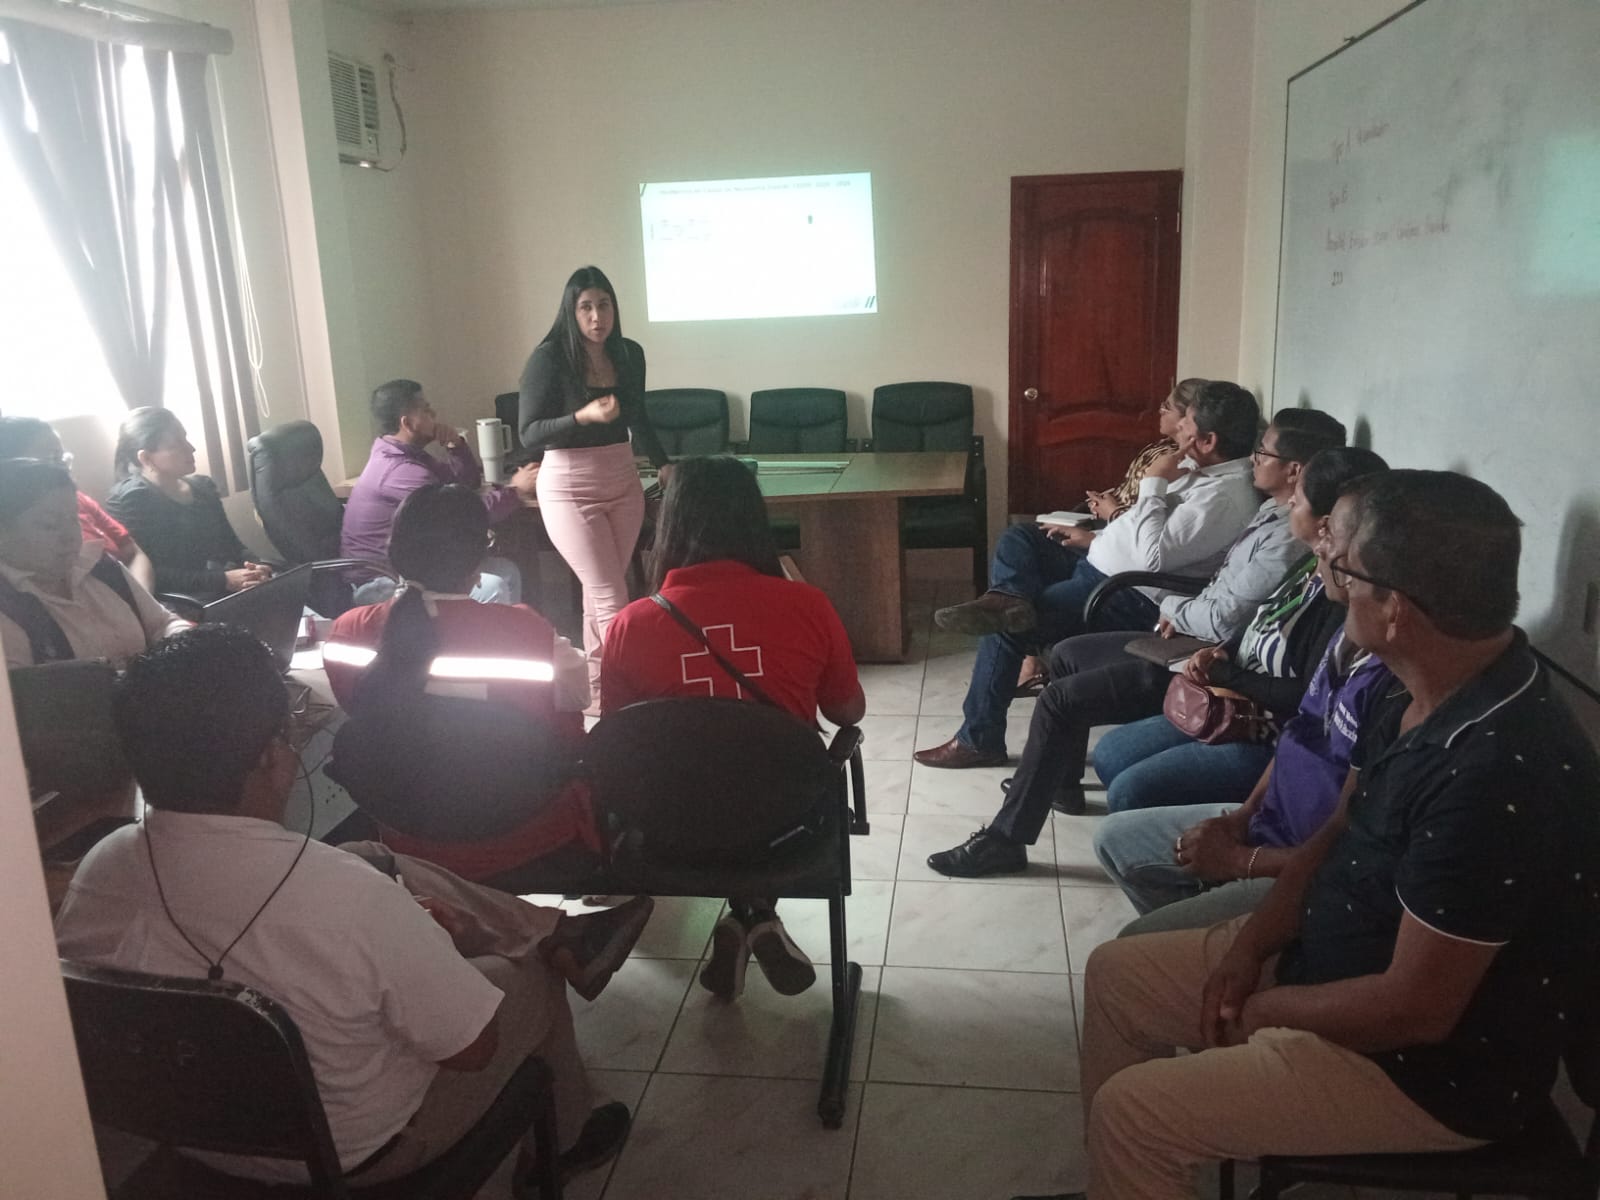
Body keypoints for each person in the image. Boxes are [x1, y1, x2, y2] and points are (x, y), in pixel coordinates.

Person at [1015, 470, 1600, 1200]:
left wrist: (1267, 1011)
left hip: (1426, 1072)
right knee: (1116, 977)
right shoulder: (1416, 685)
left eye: (1342, 565)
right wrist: (1252, 946)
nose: (1326, 573)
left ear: (1395, 607)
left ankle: (1135, 1162)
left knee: (1136, 1115)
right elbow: (1336, 834)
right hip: (1327, 962)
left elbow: (1415, 1009)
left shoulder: (1499, 771)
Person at [55, 625, 647, 1187]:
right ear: (271, 757)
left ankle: (554, 931)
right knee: (527, 974)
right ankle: (565, 1139)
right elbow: (474, 1050)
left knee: (371, 856)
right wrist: (444, 950)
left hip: (182, 1133)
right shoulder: (348, 897)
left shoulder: (101, 868)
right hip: (356, 1153)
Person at [926, 421, 1358, 879]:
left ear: (1297, 476)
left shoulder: (1294, 552)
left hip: (1208, 660)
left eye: (1264, 453)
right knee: (1066, 651)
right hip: (1198, 636)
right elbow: (1238, 607)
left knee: (1054, 692)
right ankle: (1059, 784)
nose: (1255, 459)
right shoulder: (1275, 517)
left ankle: (1006, 839)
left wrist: (1183, 618)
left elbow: (1227, 618)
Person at [603, 456, 865, 1001]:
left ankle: (748, 919)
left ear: (670, 525)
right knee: (754, 789)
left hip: (670, 828)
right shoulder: (806, 605)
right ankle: (757, 917)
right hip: (786, 821)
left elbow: (619, 740)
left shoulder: (631, 624)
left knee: (713, 788)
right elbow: (847, 712)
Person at [1093, 468, 1398, 932]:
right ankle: (1196, 923)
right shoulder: (1340, 624)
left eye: (1332, 537)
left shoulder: (1390, 682)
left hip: (1278, 798)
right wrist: (1241, 817)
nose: (1320, 546)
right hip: (1266, 810)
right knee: (1114, 810)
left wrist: (1241, 861)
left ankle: (1203, 932)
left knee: (1125, 946)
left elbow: (1348, 847)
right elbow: (1300, 728)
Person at [917, 381, 1264, 769]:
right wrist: (1096, 538)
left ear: (1208, 440)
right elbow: (1141, 531)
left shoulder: (1222, 498)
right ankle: (1008, 597)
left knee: (1005, 626)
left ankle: (979, 739)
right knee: (1020, 538)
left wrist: (1153, 483)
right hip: (1098, 560)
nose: (1179, 426)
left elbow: (1151, 558)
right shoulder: (1204, 472)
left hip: (1127, 593)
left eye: (1187, 423)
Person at [1089, 444, 1389, 817]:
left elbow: (1303, 695)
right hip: (1231, 695)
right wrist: (1223, 652)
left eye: (1297, 501)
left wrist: (1224, 672)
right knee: (1110, 754)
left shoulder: (1338, 597)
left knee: (1129, 791)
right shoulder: (1308, 565)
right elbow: (1259, 615)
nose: (1289, 505)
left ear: (1326, 522)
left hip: (1263, 731)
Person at [323, 484, 598, 889]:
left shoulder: (346, 635)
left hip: (412, 845)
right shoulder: (524, 632)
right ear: (478, 557)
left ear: (396, 551)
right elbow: (580, 695)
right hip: (530, 835)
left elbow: (368, 718)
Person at [518, 266, 670, 702]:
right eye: (585, 307)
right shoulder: (549, 358)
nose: (596, 316)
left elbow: (638, 415)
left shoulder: (629, 354)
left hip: (621, 477)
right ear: (571, 311)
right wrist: (580, 417)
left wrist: (663, 464)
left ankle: (599, 691)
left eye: (604, 305)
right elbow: (529, 432)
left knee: (601, 589)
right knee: (611, 595)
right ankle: (633, 693)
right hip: (568, 484)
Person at [1017, 380, 1201, 694]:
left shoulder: (1181, 469)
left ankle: (1017, 658)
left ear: (1193, 424)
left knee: (1028, 609)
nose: (1160, 410)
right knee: (1019, 538)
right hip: (1103, 540)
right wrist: (1103, 519)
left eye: (1169, 407)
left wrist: (1111, 514)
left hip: (1119, 573)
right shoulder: (1159, 451)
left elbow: (1150, 540)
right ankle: (1004, 599)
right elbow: (1138, 515)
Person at [341, 379, 537, 606]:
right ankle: (475, 631)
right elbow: (464, 514)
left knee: (507, 571)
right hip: (382, 583)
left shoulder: (408, 455)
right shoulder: (400, 471)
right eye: (426, 409)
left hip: (414, 568)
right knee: (495, 586)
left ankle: (502, 629)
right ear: (407, 423)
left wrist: (456, 446)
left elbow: (465, 486)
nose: (433, 414)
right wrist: (515, 491)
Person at [0, 459, 188, 668]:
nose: (70, 536)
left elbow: (162, 623)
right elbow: (23, 685)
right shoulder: (7, 602)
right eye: (50, 525)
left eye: (74, 519)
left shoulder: (100, 566)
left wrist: (188, 642)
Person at [104, 407, 269, 603]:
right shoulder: (130, 500)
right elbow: (152, 574)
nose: (191, 448)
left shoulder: (203, 487)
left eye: (186, 439)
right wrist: (222, 580)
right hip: (182, 603)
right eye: (176, 444)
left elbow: (232, 545)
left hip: (221, 590)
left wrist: (254, 566)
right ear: (146, 458)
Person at [0, 416, 155, 591]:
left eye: (62, 457)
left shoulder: (79, 500)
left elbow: (133, 551)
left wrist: (140, 597)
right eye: (51, 458)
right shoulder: (20, 530)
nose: (63, 467)